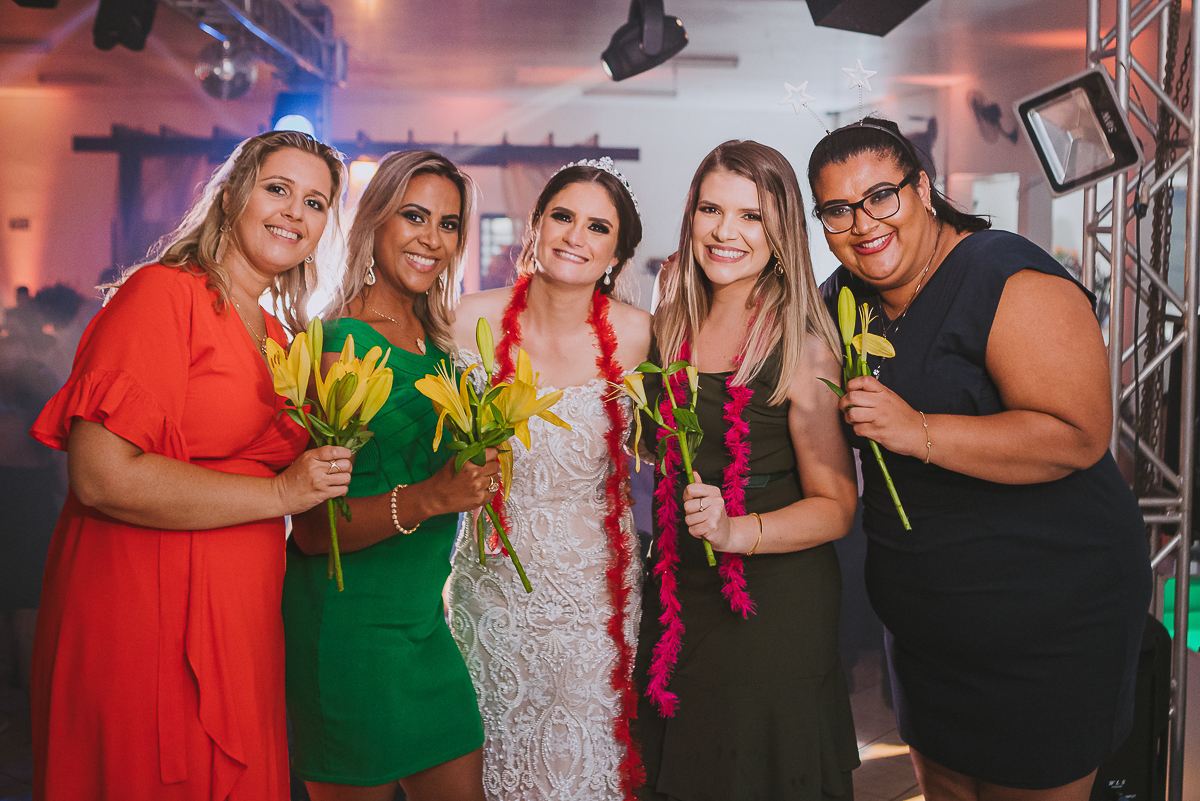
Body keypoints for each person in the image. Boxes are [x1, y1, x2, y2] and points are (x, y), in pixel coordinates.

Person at [807, 117, 1152, 800]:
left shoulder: (1004, 274)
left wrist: (918, 431)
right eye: (837, 209)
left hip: (1047, 621)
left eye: (881, 196)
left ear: (922, 188)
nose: (863, 223)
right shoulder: (842, 297)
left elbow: (1078, 434)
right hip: (927, 632)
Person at [27, 130, 353, 801]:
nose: (295, 212)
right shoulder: (163, 295)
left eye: (315, 202)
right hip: (147, 610)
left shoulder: (284, 339)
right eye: (278, 189)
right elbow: (101, 475)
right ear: (231, 195)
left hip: (241, 620)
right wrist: (281, 493)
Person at [634, 140, 860, 801]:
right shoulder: (668, 325)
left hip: (770, 600)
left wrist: (737, 532)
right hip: (677, 586)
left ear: (781, 230)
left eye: (751, 216)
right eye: (711, 209)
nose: (724, 231)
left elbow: (837, 506)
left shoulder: (803, 344)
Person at [283, 150, 499, 801]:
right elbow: (313, 531)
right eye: (414, 216)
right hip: (349, 630)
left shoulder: (442, 346)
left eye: (448, 223)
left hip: (423, 623)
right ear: (375, 220)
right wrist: (433, 496)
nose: (432, 238)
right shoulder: (336, 344)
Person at [447, 157, 651, 801]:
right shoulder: (466, 320)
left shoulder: (640, 335)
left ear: (617, 254)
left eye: (598, 227)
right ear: (535, 226)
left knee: (581, 768)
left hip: (594, 598)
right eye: (563, 217)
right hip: (489, 589)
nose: (575, 237)